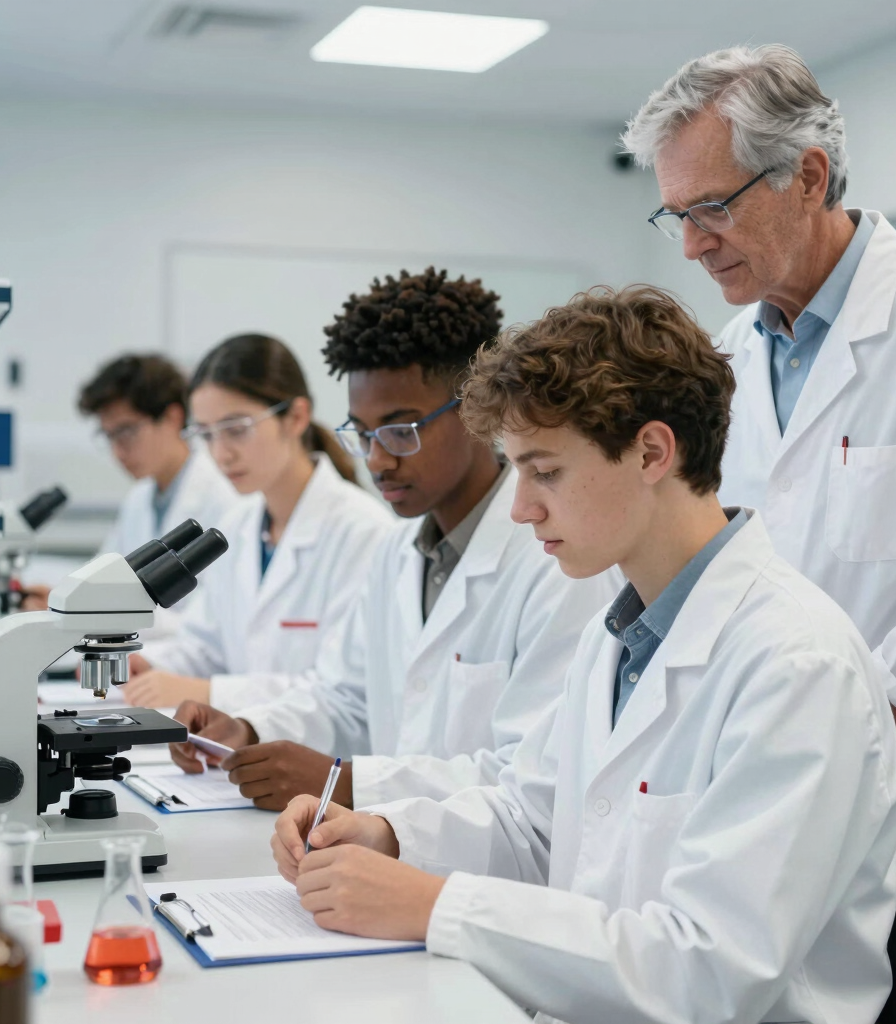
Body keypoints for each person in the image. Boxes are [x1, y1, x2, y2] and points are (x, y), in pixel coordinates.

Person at [271, 286, 896, 1024]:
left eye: (545, 472)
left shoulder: (797, 667)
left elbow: (710, 972)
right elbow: (535, 819)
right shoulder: (626, 633)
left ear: (652, 452)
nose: (521, 509)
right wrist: (387, 834)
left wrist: (437, 906)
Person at [622, 43, 896, 1016]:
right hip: (763, 799)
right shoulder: (727, 358)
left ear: (807, 177)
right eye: (675, 216)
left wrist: (852, 704)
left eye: (712, 209)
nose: (691, 246)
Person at [168, 268, 618, 810]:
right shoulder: (397, 553)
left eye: (401, 431)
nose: (377, 460)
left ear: (475, 410)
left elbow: (534, 777)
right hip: (382, 847)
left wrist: (349, 784)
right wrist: (247, 729)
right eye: (362, 434)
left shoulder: (556, 562)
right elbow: (345, 698)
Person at [121, 333, 393, 710]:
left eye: (236, 429)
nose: (221, 454)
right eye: (206, 435)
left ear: (295, 417)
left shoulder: (363, 531)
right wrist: (150, 663)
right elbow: (206, 646)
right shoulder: (238, 525)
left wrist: (208, 694)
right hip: (233, 740)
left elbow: (343, 690)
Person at [21, 354, 238, 626]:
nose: (117, 451)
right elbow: (104, 575)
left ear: (172, 418)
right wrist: (63, 601)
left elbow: (210, 619)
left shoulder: (223, 494)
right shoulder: (140, 497)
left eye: (126, 431)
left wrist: (98, 611)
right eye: (109, 436)